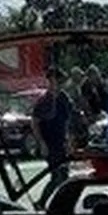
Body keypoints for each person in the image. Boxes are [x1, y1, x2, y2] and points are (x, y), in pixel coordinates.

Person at [31, 67, 74, 196]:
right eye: (56, 80)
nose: (59, 83)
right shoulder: (44, 100)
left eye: (61, 81)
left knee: (65, 177)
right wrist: (42, 143)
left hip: (62, 143)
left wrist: (70, 142)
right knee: (56, 177)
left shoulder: (64, 98)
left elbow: (68, 121)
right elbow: (34, 122)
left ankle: (65, 204)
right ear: (49, 81)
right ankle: (41, 202)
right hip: (50, 143)